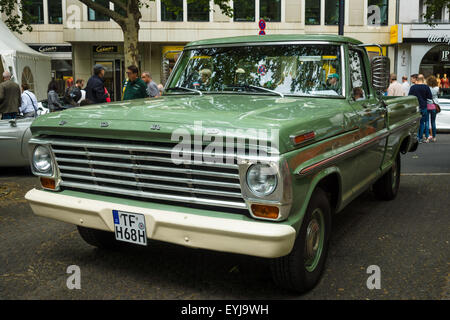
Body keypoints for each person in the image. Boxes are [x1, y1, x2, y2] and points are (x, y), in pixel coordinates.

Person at [409, 74, 432, 143]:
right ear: (422, 79)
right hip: (424, 106)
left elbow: (409, 97)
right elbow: (430, 97)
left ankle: (416, 137)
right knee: (422, 123)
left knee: (416, 123)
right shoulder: (426, 87)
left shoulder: (413, 87)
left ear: (417, 79)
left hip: (416, 106)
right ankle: (420, 138)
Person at [426, 75, 440, 143]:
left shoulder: (427, 88)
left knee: (427, 122)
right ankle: (434, 137)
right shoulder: (437, 88)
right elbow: (438, 94)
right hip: (434, 105)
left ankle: (428, 136)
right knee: (433, 122)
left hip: (428, 105)